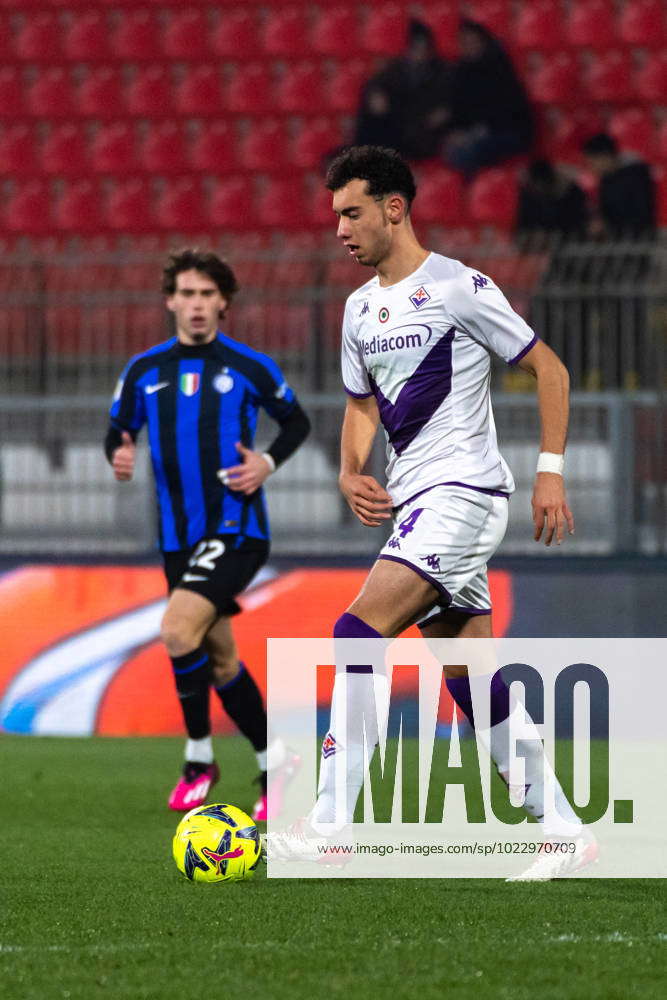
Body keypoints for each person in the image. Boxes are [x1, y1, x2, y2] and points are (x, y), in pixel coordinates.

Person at [266, 146, 596, 880]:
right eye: (335, 217)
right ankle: (563, 830)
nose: (341, 230)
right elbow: (361, 406)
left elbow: (550, 369)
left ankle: (330, 828)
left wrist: (549, 474)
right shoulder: (357, 309)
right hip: (414, 503)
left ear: (394, 208)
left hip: (465, 493)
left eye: (352, 213)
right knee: (469, 676)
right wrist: (351, 472)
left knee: (355, 632)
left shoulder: (456, 287)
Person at [105, 249, 310, 818]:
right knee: (219, 661)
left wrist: (266, 463)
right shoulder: (144, 371)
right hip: (178, 540)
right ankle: (278, 765)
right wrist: (119, 452)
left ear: (224, 303)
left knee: (176, 630)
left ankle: (199, 759)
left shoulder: (249, 366)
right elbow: (117, 430)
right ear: (171, 299)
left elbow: (297, 421)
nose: (197, 305)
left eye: (207, 295)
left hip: (236, 529)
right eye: (187, 294)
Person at [443, 19, 534, 177]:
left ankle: (478, 194)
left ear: (483, 42)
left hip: (509, 131)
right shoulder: (460, 72)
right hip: (479, 133)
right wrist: (455, 132)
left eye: (473, 41)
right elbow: (459, 110)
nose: (468, 45)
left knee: (465, 152)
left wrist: (470, 134)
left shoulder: (499, 68)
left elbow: (505, 113)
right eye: (464, 41)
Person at [353, 19, 451, 161]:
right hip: (397, 128)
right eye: (414, 47)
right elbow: (375, 85)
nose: (419, 53)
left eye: (423, 48)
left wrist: (444, 112)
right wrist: (375, 95)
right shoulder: (396, 69)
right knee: (372, 118)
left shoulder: (442, 72)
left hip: (422, 132)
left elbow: (448, 104)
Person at [582, 133, 656, 240]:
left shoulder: (637, 175)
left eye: (592, 163)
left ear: (605, 156)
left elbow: (643, 212)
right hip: (619, 241)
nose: (591, 169)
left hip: (642, 240)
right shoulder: (605, 181)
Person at [516, 159, 588, 244]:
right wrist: (533, 232)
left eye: (541, 184)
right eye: (536, 185)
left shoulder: (571, 191)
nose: (539, 188)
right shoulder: (528, 193)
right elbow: (524, 219)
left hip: (571, 237)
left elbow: (579, 218)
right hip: (537, 240)